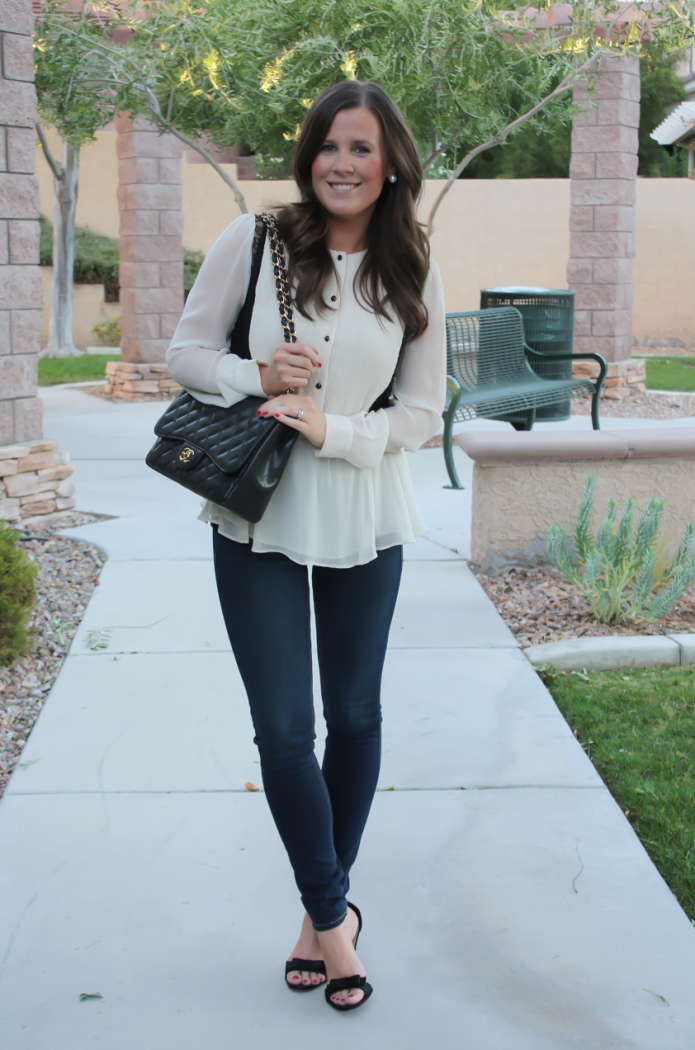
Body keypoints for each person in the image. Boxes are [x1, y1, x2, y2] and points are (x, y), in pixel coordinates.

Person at [166, 80, 446, 1012]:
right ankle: (335, 922)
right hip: (258, 517)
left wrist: (338, 432)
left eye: (362, 148)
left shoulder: (410, 265)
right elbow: (185, 353)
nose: (342, 163)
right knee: (285, 732)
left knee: (355, 719)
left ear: (391, 162)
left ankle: (312, 926)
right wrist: (254, 374)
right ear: (308, 155)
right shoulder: (254, 242)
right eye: (329, 145)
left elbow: (420, 412)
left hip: (365, 513)